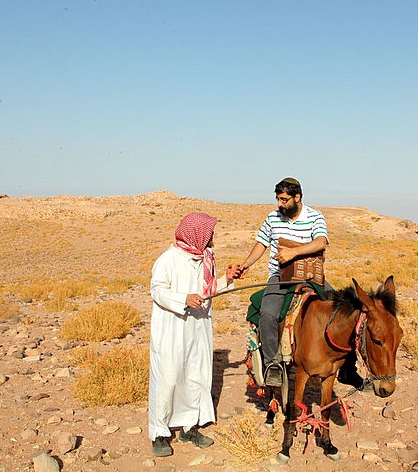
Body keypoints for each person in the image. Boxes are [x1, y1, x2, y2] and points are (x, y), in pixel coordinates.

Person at [233, 177, 364, 389]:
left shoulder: (314, 216)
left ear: (297, 197)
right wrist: (246, 264)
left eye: (284, 200)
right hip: (279, 276)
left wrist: (293, 252)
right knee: (267, 314)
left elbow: (321, 242)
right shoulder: (273, 217)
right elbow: (261, 243)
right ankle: (272, 365)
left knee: (346, 312)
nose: (280, 204)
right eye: (278, 199)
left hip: (310, 275)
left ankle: (349, 368)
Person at [148, 212, 233, 457]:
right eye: (209, 232)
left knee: (196, 375)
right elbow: (157, 291)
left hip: (198, 327)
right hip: (172, 329)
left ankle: (189, 427)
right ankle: (160, 433)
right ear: (197, 234)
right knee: (168, 378)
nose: (212, 236)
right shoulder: (168, 259)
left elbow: (208, 289)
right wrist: (183, 299)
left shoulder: (205, 259)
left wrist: (229, 278)